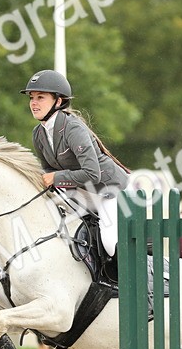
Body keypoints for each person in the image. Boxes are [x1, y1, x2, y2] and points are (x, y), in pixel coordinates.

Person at [21, 69, 129, 266]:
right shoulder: (38, 133)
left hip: (109, 192)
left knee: (110, 242)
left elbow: (92, 174)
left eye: (40, 97)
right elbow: (47, 169)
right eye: (32, 98)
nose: (34, 103)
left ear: (59, 101)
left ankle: (130, 285)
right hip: (81, 193)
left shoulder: (72, 128)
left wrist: (56, 178)